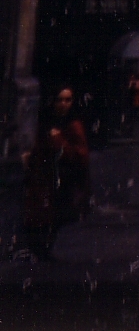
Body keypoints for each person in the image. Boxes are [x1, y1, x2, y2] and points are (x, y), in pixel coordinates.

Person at [21, 86, 90, 259]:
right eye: (60, 100)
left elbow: (79, 154)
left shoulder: (73, 124)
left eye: (68, 100)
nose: (64, 104)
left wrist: (59, 142)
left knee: (55, 213)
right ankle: (39, 247)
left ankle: (43, 247)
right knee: (43, 212)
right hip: (45, 174)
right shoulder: (47, 121)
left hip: (63, 176)